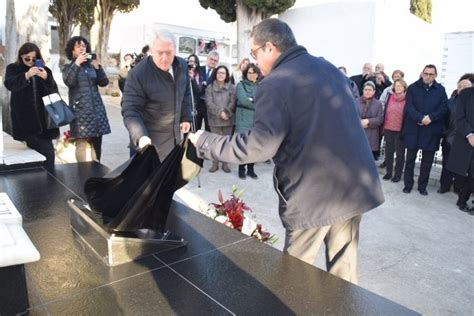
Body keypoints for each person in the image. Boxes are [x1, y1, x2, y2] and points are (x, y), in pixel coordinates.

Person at [189, 19, 384, 284]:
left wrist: (206, 141)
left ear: (269, 47)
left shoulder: (275, 82)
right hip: (354, 186)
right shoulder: (329, 69)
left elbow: (259, 146)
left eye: (254, 53)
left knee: (293, 279)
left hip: (314, 196)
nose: (254, 61)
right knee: (344, 278)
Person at [121, 30, 192, 160]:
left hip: (175, 139)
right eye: (159, 53)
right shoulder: (138, 74)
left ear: (175, 50)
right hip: (149, 142)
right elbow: (130, 109)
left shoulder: (181, 65)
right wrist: (140, 136)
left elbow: (186, 92)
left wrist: (186, 116)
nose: (164, 58)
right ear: (151, 50)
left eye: (169, 53)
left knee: (170, 178)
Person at [4, 42, 59, 171]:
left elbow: (54, 91)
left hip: (45, 121)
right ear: (21, 57)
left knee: (48, 156)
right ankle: (35, 187)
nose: (30, 61)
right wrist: (27, 75)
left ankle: (50, 184)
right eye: (27, 58)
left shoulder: (45, 70)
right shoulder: (13, 69)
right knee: (32, 159)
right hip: (25, 121)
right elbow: (10, 85)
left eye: (34, 59)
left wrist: (46, 78)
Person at [402, 64, 448, 195]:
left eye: (431, 74)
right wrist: (420, 118)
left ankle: (422, 186)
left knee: (427, 162)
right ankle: (408, 185)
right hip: (414, 129)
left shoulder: (441, 90)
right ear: (422, 73)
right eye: (426, 73)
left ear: (435, 75)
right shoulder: (412, 88)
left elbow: (444, 108)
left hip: (431, 130)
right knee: (410, 160)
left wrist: (431, 118)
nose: (428, 76)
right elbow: (409, 107)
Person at [63, 36, 111, 162]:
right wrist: (77, 63)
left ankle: (97, 170)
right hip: (80, 112)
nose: (81, 48)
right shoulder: (68, 67)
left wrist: (98, 67)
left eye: (83, 46)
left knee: (97, 144)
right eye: (78, 46)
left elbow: (104, 82)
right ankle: (82, 172)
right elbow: (69, 81)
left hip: (96, 110)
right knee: (81, 145)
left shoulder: (91, 66)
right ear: (72, 51)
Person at [439, 76, 474, 194]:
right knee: (446, 164)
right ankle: (444, 186)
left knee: (462, 167)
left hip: (465, 140)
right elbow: (443, 118)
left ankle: (458, 188)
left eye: (466, 86)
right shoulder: (451, 102)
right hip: (449, 138)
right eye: (460, 86)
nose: (462, 88)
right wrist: (444, 132)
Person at [447, 86, 474, 213]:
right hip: (466, 139)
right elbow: (460, 116)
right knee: (465, 172)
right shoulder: (466, 94)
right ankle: (462, 200)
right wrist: (469, 134)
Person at [205, 65, 236, 173]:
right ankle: (215, 163)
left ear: (227, 75)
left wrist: (226, 112)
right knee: (215, 142)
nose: (221, 75)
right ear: (215, 74)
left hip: (228, 118)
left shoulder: (232, 87)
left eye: (223, 73)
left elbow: (233, 102)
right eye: (219, 73)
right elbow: (209, 103)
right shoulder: (210, 87)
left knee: (227, 142)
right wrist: (220, 112)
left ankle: (225, 163)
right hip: (214, 119)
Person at [235, 63, 261, 179]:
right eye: (249, 73)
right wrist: (256, 103)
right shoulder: (241, 85)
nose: (252, 75)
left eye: (254, 72)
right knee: (243, 145)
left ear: (257, 74)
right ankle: (241, 169)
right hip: (243, 119)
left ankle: (251, 169)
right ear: (245, 74)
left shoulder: (260, 86)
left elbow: (263, 100)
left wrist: (253, 100)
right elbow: (244, 100)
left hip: (256, 120)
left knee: (253, 146)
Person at [382, 79, 408, 182]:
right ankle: (388, 173)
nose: (398, 87)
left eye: (400, 86)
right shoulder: (390, 97)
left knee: (400, 154)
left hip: (400, 131)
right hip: (388, 129)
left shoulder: (407, 99)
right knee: (388, 153)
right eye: (396, 85)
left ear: (404, 88)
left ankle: (397, 175)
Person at [358, 81, 384, 159]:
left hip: (371, 135)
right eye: (366, 89)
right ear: (363, 91)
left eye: (370, 90)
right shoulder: (356, 101)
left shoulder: (378, 104)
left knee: (369, 159)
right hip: (358, 133)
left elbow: (380, 119)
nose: (367, 91)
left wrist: (368, 121)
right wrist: (359, 122)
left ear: (374, 91)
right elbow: (351, 116)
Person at [196, 50, 220, 132]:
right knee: (195, 128)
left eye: (215, 60)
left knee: (209, 129)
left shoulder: (218, 73)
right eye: (211, 59)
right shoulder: (198, 69)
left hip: (210, 105)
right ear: (207, 58)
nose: (213, 62)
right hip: (197, 103)